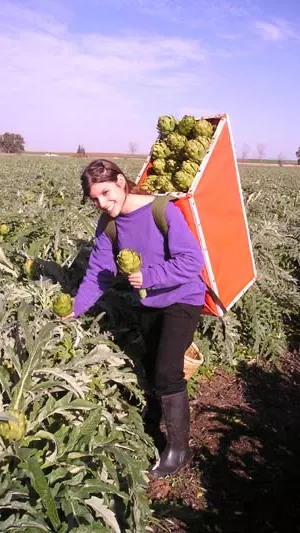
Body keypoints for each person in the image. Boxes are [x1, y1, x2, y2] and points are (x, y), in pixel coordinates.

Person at [63, 159, 206, 478]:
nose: (102, 202)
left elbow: (192, 261)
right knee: (151, 360)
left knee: (168, 371)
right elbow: (99, 273)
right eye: (95, 198)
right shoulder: (109, 224)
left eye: (106, 192)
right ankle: (155, 414)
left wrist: (150, 275)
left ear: (121, 182)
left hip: (184, 296)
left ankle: (179, 449)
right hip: (151, 302)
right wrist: (76, 307)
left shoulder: (161, 211)